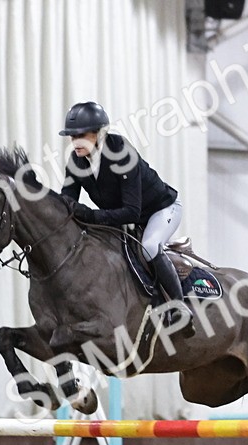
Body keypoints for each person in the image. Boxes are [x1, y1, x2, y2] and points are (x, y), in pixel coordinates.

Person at [58, 101, 192, 332]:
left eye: (81, 135)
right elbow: (67, 200)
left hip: (161, 210)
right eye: (72, 137)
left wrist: (90, 215)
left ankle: (179, 308)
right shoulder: (77, 161)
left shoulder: (121, 154)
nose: (75, 142)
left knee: (149, 246)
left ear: (99, 134)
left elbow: (132, 211)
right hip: (128, 218)